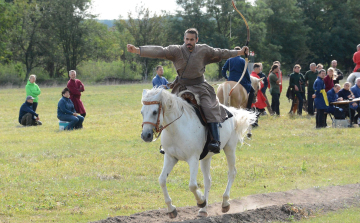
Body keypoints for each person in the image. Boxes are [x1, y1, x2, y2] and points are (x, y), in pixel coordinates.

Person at [127, 28, 248, 154]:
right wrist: (137, 50)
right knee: (167, 109)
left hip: (200, 87)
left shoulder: (204, 50)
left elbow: (221, 53)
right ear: (184, 39)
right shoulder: (176, 50)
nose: (189, 42)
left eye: (191, 39)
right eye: (187, 39)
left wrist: (239, 52)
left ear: (197, 40)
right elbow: (159, 51)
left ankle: (215, 140)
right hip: (181, 86)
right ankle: (166, 143)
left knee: (209, 106)